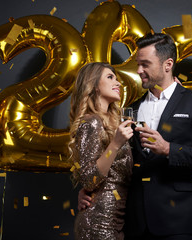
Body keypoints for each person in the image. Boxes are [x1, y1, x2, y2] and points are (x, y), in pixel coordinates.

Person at [79, 33, 192, 240]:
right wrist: (90, 191)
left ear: (168, 64)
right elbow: (115, 162)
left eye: (145, 64)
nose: (139, 71)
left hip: (180, 222)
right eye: (138, 64)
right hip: (134, 224)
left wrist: (169, 149)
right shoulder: (129, 109)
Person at [68, 62, 134, 240]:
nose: (118, 83)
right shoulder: (91, 122)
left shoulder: (111, 123)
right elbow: (89, 179)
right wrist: (115, 144)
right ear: (95, 85)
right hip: (99, 224)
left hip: (114, 221)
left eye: (116, 78)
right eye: (110, 77)